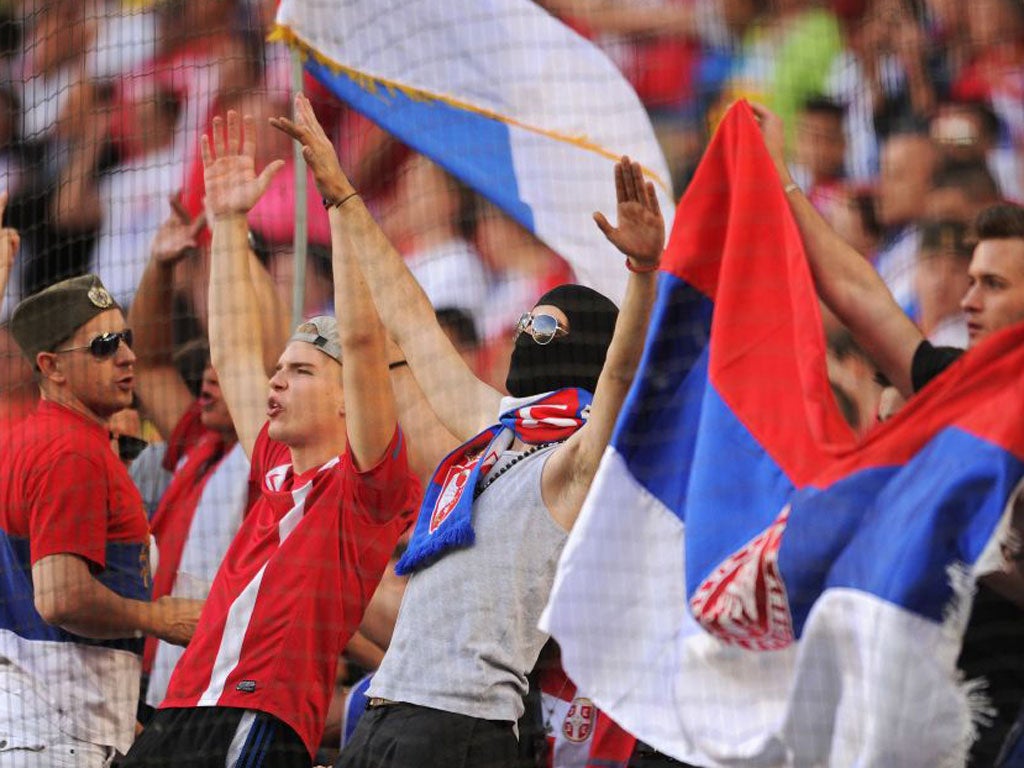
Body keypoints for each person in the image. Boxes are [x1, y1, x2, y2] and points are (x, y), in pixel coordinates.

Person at [271, 92, 665, 768]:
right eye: (528, 323)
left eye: (546, 328)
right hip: (390, 709)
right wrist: (343, 197)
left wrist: (642, 274)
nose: (527, 334)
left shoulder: (579, 459)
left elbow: (622, 378)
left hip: (464, 728)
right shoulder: (495, 426)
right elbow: (412, 318)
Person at [120, 111, 420, 767]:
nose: (274, 380)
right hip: (184, 707)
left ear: (349, 397)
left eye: (300, 370)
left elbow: (365, 342)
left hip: (257, 716)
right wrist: (228, 226)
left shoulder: (364, 485)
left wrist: (339, 199)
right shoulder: (278, 465)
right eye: (278, 368)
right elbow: (231, 353)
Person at [754, 101, 1024, 768]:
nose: (968, 302)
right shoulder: (964, 387)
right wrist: (781, 179)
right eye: (969, 282)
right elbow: (861, 297)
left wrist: (960, 540)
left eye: (992, 285)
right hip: (932, 713)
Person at [0, 272, 203, 767]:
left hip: (44, 725)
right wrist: (158, 618)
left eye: (126, 339)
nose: (127, 356)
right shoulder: (70, 450)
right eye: (103, 345)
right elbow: (61, 597)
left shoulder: (32, 439)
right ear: (52, 367)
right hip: (60, 737)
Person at [127, 197, 289, 714]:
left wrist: (233, 235)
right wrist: (160, 264)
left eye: (227, 368)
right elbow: (148, 365)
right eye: (210, 365)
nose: (210, 374)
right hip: (157, 672)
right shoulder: (200, 440)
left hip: (225, 679)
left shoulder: (267, 451)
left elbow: (265, 351)